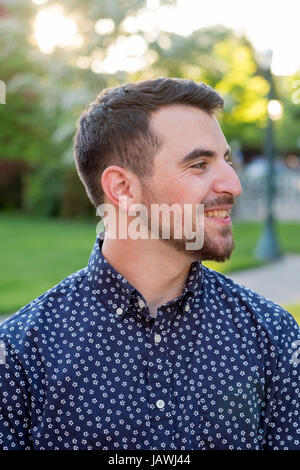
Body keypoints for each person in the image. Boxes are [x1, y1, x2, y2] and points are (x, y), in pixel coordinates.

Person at [0, 78, 299, 450]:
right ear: (123, 189)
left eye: (227, 161)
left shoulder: (274, 337)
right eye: (199, 164)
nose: (233, 184)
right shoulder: (19, 356)